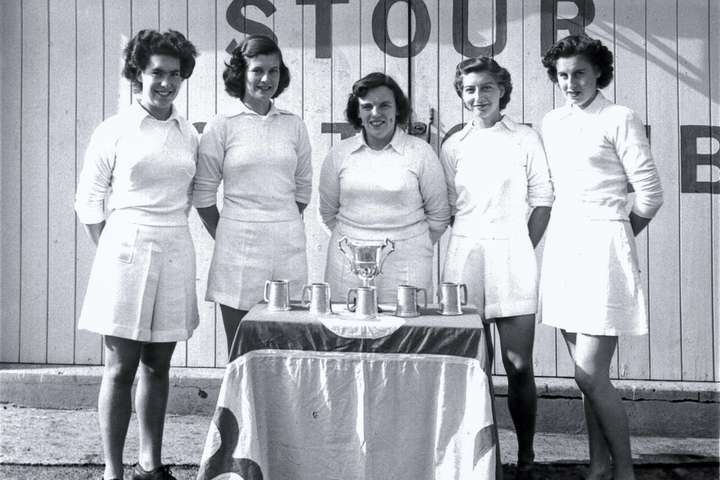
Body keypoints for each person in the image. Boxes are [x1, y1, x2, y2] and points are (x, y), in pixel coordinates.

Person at [75, 29, 199, 480]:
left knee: (158, 365)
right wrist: (113, 250)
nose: (165, 83)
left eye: (174, 75)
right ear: (138, 75)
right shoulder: (114, 130)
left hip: (174, 247)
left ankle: (150, 464)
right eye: (156, 74)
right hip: (125, 247)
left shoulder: (189, 133)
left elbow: (187, 194)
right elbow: (88, 199)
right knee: (120, 366)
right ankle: (112, 471)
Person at [540, 34, 663, 480]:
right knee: (584, 376)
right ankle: (597, 467)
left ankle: (625, 472)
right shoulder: (551, 121)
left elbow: (650, 195)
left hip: (604, 248)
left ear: (599, 74)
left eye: (580, 74)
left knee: (591, 375)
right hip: (564, 247)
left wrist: (617, 237)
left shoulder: (619, 117)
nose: (570, 83)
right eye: (562, 75)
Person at [440, 56, 553, 480]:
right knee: (474, 368)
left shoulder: (525, 138)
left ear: (502, 90)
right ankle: (484, 460)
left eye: (486, 87)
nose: (477, 96)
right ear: (461, 95)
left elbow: (542, 198)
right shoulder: (454, 145)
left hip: (513, 256)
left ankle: (526, 457)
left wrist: (521, 245)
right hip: (464, 257)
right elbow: (449, 208)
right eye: (469, 89)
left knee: (519, 364)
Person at [193, 35, 312, 353]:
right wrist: (230, 233)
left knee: (287, 347)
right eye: (258, 70)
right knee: (242, 350)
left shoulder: (294, 125)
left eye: (273, 71)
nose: (266, 79)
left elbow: (303, 188)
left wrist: (278, 221)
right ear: (241, 74)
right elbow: (203, 193)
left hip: (286, 244)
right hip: (237, 249)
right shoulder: (222, 125)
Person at [319, 72, 450, 303]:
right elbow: (327, 213)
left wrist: (408, 244)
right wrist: (357, 243)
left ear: (397, 109)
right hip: (347, 267)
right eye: (367, 106)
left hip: (407, 267)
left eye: (384, 105)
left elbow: (439, 216)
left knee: (408, 333)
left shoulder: (420, 152)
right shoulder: (339, 154)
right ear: (358, 112)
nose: (376, 113)